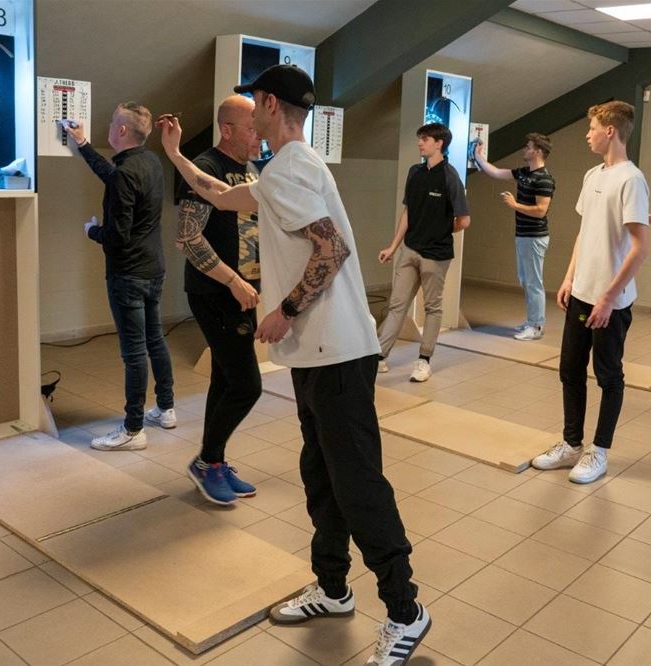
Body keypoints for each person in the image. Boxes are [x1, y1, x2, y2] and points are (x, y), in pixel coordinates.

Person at [157, 65, 429, 666]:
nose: (250, 114)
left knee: (357, 485)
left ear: (269, 104)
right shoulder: (284, 168)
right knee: (321, 477)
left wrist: (284, 310)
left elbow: (332, 248)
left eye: (253, 103)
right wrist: (175, 155)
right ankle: (333, 588)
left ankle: (406, 610)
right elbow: (221, 195)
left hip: (338, 354)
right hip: (317, 356)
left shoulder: (290, 169)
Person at [530, 101, 649, 485]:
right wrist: (569, 278)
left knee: (608, 375)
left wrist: (609, 298)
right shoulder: (592, 174)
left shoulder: (632, 180)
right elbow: (586, 232)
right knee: (570, 369)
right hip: (582, 293)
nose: (588, 134)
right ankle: (571, 444)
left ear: (610, 131)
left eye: (593, 128)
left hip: (611, 301)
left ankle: (599, 451)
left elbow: (639, 248)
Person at [65, 103, 175, 452]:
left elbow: (117, 237)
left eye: (113, 121)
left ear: (122, 130)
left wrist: (93, 231)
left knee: (134, 353)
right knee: (154, 340)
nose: (109, 126)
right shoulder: (150, 161)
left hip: (128, 274)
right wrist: (83, 145)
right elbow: (113, 178)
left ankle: (133, 429)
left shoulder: (125, 173)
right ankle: (166, 408)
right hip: (153, 269)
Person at [176, 95, 263, 505]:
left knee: (225, 379)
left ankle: (215, 462)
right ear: (227, 130)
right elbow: (187, 238)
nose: (259, 136)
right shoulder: (206, 168)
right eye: (251, 129)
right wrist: (233, 282)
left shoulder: (250, 169)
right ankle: (206, 460)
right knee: (247, 386)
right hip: (215, 292)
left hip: (243, 292)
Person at [375, 123, 470, 382]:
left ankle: (424, 360)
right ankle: (380, 356)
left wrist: (440, 229)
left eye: (425, 139)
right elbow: (408, 212)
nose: (420, 143)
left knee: (432, 308)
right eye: (420, 138)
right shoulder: (414, 172)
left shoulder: (450, 176)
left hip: (436, 255)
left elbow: (464, 221)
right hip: (409, 250)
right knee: (397, 305)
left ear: (439, 143)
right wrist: (393, 246)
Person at [472, 133, 555, 340]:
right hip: (523, 235)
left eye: (528, 147)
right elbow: (497, 172)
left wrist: (515, 205)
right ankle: (531, 321)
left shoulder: (544, 179)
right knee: (526, 280)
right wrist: (478, 156)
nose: (524, 150)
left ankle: (536, 326)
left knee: (534, 283)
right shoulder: (524, 172)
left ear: (537, 151)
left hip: (535, 237)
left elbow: (541, 211)